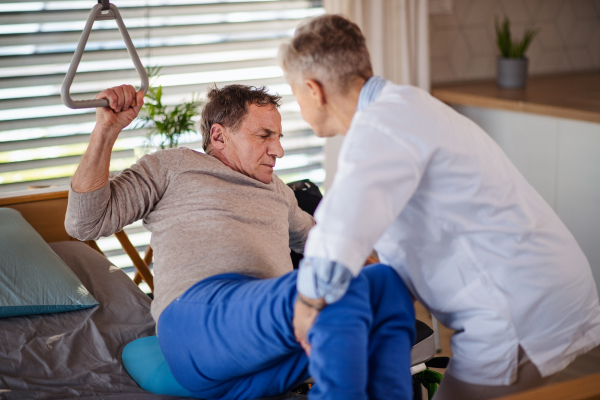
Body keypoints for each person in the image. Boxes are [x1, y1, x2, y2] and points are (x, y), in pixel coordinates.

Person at [279, 14, 600, 400]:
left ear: (313, 90)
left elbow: (338, 234)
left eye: (293, 93)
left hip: (517, 309)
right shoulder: (405, 105)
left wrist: (307, 304)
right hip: (541, 287)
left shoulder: (380, 128)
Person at [64, 83, 416, 400]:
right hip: (199, 323)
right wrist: (106, 130)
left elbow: (320, 242)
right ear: (219, 137)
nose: (278, 150)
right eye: (264, 135)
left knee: (386, 285)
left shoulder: (278, 190)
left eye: (278, 136)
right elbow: (84, 222)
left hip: (265, 356)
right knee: (326, 292)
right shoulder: (173, 167)